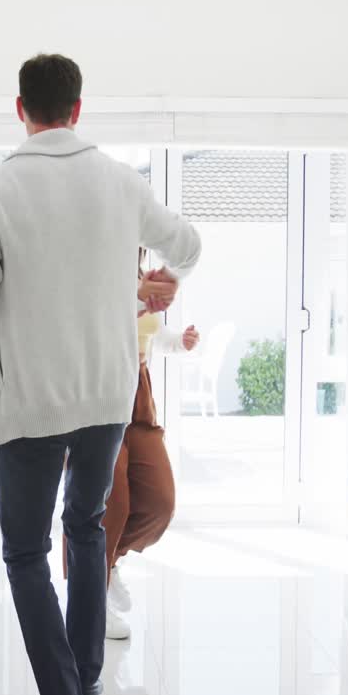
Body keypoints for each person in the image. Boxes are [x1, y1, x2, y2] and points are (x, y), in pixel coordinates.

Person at [0, 54, 201, 695]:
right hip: (105, 396)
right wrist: (162, 278)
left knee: (26, 553)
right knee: (86, 528)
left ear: (21, 109)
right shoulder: (119, 181)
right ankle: (85, 680)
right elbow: (187, 245)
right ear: (78, 110)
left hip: (31, 400)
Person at [103, 251, 199, 640]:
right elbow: (99, 325)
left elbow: (153, 334)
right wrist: (141, 298)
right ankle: (92, 597)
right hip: (97, 388)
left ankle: (106, 566)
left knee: (159, 503)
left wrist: (181, 342)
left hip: (137, 388)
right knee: (111, 505)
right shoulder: (95, 270)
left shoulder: (140, 275)